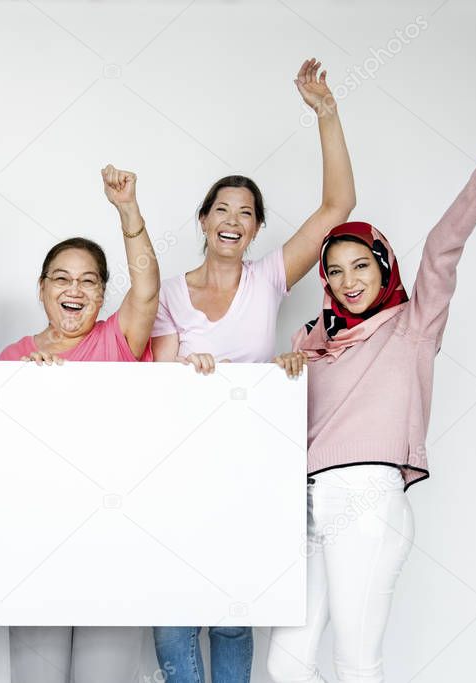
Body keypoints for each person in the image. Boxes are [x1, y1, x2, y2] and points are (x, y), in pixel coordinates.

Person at [266, 100, 476, 683]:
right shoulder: (310, 340)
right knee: (286, 663)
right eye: (334, 271)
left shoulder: (413, 326)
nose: (348, 281)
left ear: (384, 266)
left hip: (368, 498)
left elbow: (444, 248)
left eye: (360, 266)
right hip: (308, 504)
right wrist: (286, 372)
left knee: (356, 662)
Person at [149, 58, 355, 683]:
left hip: (252, 462)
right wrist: (189, 367)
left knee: (234, 613)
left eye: (246, 213)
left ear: (257, 228)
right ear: (204, 220)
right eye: (223, 210)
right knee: (175, 614)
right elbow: (159, 380)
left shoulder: (268, 277)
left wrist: (325, 112)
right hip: (183, 465)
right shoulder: (168, 293)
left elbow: (339, 204)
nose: (233, 221)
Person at [1, 165, 160, 683]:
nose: (75, 290)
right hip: (35, 546)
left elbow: (149, 285)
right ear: (43, 289)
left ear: (103, 294)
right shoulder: (12, 357)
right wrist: (23, 391)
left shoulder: (119, 340)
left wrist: (127, 210)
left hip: (112, 548)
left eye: (89, 281)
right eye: (62, 279)